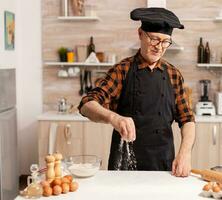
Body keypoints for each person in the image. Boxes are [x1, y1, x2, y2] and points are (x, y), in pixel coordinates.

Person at [78, 7, 195, 177]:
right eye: (154, 39)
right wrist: (114, 118)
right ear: (140, 34)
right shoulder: (122, 70)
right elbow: (86, 104)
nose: (159, 47)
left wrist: (185, 153)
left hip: (163, 164)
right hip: (124, 165)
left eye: (165, 41)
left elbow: (187, 119)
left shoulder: (173, 74)